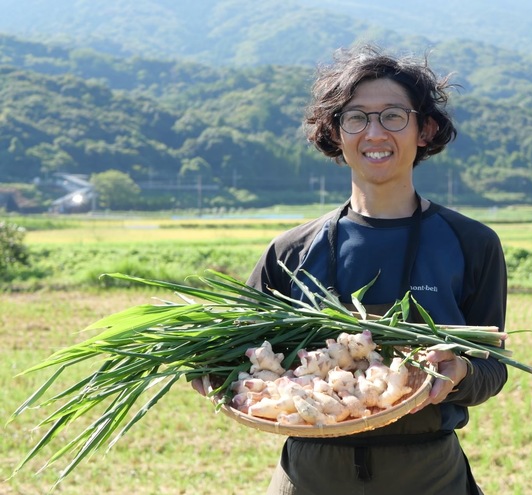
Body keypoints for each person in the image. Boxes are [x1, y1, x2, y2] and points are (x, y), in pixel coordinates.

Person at [213, 44, 508, 495]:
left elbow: (493, 368)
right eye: (356, 118)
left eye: (393, 116)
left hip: (428, 474)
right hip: (310, 474)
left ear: (425, 129)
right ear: (335, 132)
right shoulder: (290, 251)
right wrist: (208, 372)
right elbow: (232, 354)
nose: (374, 132)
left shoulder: (472, 243)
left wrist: (461, 373)